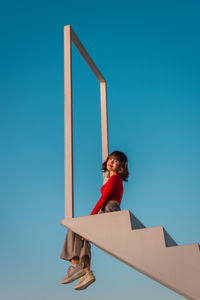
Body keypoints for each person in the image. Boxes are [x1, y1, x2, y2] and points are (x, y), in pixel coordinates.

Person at [60, 150, 129, 290]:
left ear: (121, 166)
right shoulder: (114, 179)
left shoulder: (115, 179)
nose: (111, 162)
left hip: (109, 210)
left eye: (116, 161)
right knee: (84, 236)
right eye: (111, 159)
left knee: (75, 227)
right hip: (109, 211)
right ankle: (86, 272)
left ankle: (75, 265)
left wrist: (91, 217)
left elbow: (102, 200)